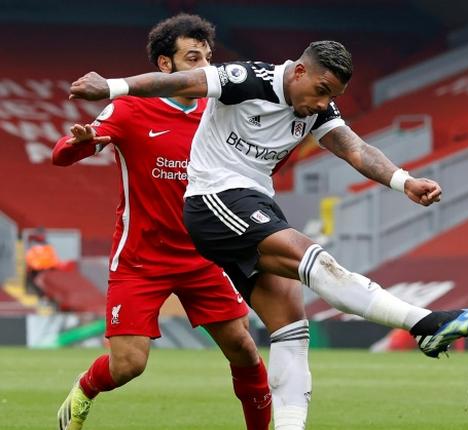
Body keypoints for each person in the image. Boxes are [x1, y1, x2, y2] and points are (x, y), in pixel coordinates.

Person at [69, 39, 468, 423]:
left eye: (333, 96)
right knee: (314, 259)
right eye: (321, 90)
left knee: (292, 327)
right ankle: (424, 322)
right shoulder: (246, 78)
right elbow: (182, 81)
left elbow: (356, 149)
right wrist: (112, 86)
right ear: (298, 72)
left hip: (254, 204)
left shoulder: (318, 107)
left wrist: (405, 181)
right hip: (213, 200)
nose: (323, 102)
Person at [52, 14, 300, 430]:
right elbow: (61, 154)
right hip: (140, 257)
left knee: (243, 347)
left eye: (208, 57)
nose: (205, 68)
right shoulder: (130, 108)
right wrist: (81, 144)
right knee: (128, 365)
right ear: (165, 66)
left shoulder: (220, 109)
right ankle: (84, 391)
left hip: (203, 253)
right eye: (192, 58)